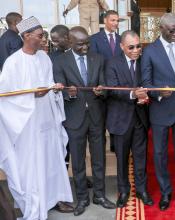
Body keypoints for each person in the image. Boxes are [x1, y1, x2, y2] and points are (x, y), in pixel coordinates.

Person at [0, 16, 73, 219]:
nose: (43, 40)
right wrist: (32, 95)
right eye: (40, 36)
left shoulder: (44, 58)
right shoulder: (12, 63)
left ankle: (54, 198)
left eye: (44, 36)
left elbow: (48, 83)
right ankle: (35, 203)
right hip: (26, 125)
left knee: (51, 160)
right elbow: (5, 97)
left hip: (47, 119)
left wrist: (55, 89)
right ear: (26, 36)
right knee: (33, 165)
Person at [53, 26, 115, 216]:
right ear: (70, 42)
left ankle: (99, 195)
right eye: (80, 44)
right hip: (74, 117)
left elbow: (105, 85)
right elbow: (59, 87)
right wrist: (68, 93)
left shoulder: (98, 58)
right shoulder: (60, 61)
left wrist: (101, 90)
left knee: (99, 159)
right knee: (78, 162)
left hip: (96, 115)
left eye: (87, 43)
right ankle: (82, 199)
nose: (85, 47)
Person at [141, 13, 175, 211]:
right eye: (172, 30)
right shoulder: (149, 51)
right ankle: (165, 192)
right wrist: (158, 92)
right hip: (161, 109)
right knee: (160, 153)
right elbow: (146, 83)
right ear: (161, 29)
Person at [105, 30, 153, 208]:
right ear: (122, 46)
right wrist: (133, 93)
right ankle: (123, 191)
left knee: (141, 158)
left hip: (140, 118)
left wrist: (146, 95)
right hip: (120, 120)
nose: (135, 50)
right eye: (131, 47)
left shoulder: (144, 62)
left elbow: (149, 83)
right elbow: (111, 89)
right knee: (122, 159)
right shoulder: (112, 63)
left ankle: (142, 190)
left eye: (138, 46)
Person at [90, 10, 122, 153]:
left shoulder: (122, 39)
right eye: (113, 20)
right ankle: (101, 149)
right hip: (102, 85)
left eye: (117, 21)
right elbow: (94, 62)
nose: (115, 23)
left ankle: (115, 145)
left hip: (118, 85)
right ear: (105, 21)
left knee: (117, 116)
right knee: (101, 120)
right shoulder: (95, 39)